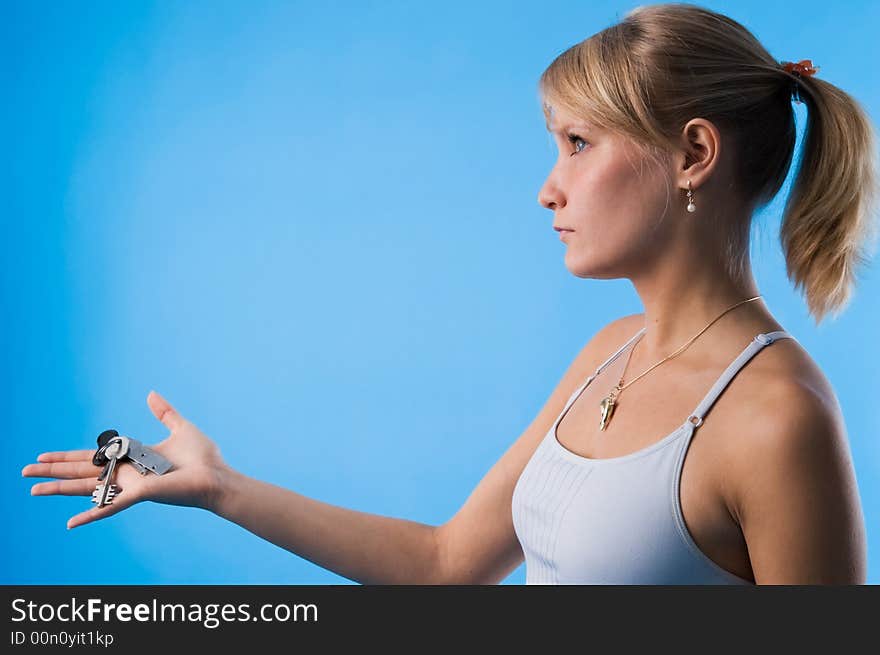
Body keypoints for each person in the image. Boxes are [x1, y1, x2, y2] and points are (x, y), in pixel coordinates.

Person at [22, 3, 875, 584]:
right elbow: (446, 565)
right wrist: (220, 488)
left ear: (693, 155)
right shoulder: (612, 349)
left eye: (578, 143)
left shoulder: (777, 417)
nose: (549, 187)